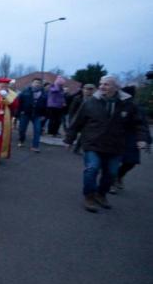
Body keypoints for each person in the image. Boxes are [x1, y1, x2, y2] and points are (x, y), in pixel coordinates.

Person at [64, 76, 149, 213]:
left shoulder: (128, 104)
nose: (102, 87)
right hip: (93, 143)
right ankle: (89, 196)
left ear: (116, 87)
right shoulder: (91, 102)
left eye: (107, 84)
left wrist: (142, 138)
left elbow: (139, 124)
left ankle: (101, 194)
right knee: (92, 168)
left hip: (116, 145)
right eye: (101, 84)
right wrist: (69, 140)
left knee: (111, 173)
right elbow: (77, 122)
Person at [111, 86, 151, 192]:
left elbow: (143, 124)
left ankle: (119, 176)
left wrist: (146, 140)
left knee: (131, 162)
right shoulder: (116, 104)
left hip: (132, 138)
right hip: (118, 136)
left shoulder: (137, 107)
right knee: (114, 160)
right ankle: (112, 181)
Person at [0, 78, 19, 160]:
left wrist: (6, 97)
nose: (3, 87)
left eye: (5, 85)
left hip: (6, 117)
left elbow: (15, 106)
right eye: (2, 85)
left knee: (3, 136)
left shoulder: (12, 94)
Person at [17, 78, 48, 151]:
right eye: (35, 82)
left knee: (37, 130)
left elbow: (46, 106)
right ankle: (21, 140)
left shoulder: (44, 94)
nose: (37, 84)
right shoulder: (25, 92)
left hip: (37, 114)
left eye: (39, 83)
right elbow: (19, 102)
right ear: (32, 83)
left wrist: (44, 115)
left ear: (41, 85)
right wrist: (19, 112)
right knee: (22, 129)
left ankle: (35, 146)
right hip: (25, 113)